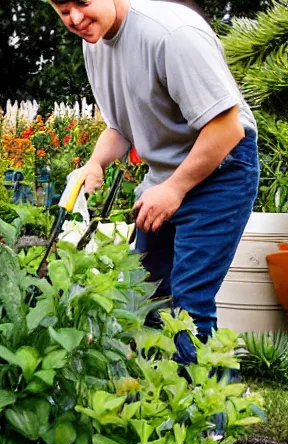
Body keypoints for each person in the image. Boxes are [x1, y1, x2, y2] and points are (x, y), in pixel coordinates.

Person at [48, 0, 260, 363]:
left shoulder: (172, 34)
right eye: (63, 9)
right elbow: (120, 127)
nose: (76, 18)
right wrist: (95, 163)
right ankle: (153, 411)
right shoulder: (95, 42)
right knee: (145, 297)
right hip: (165, 179)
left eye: (82, 3)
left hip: (221, 170)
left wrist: (175, 188)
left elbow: (228, 128)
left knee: (188, 308)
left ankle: (207, 417)